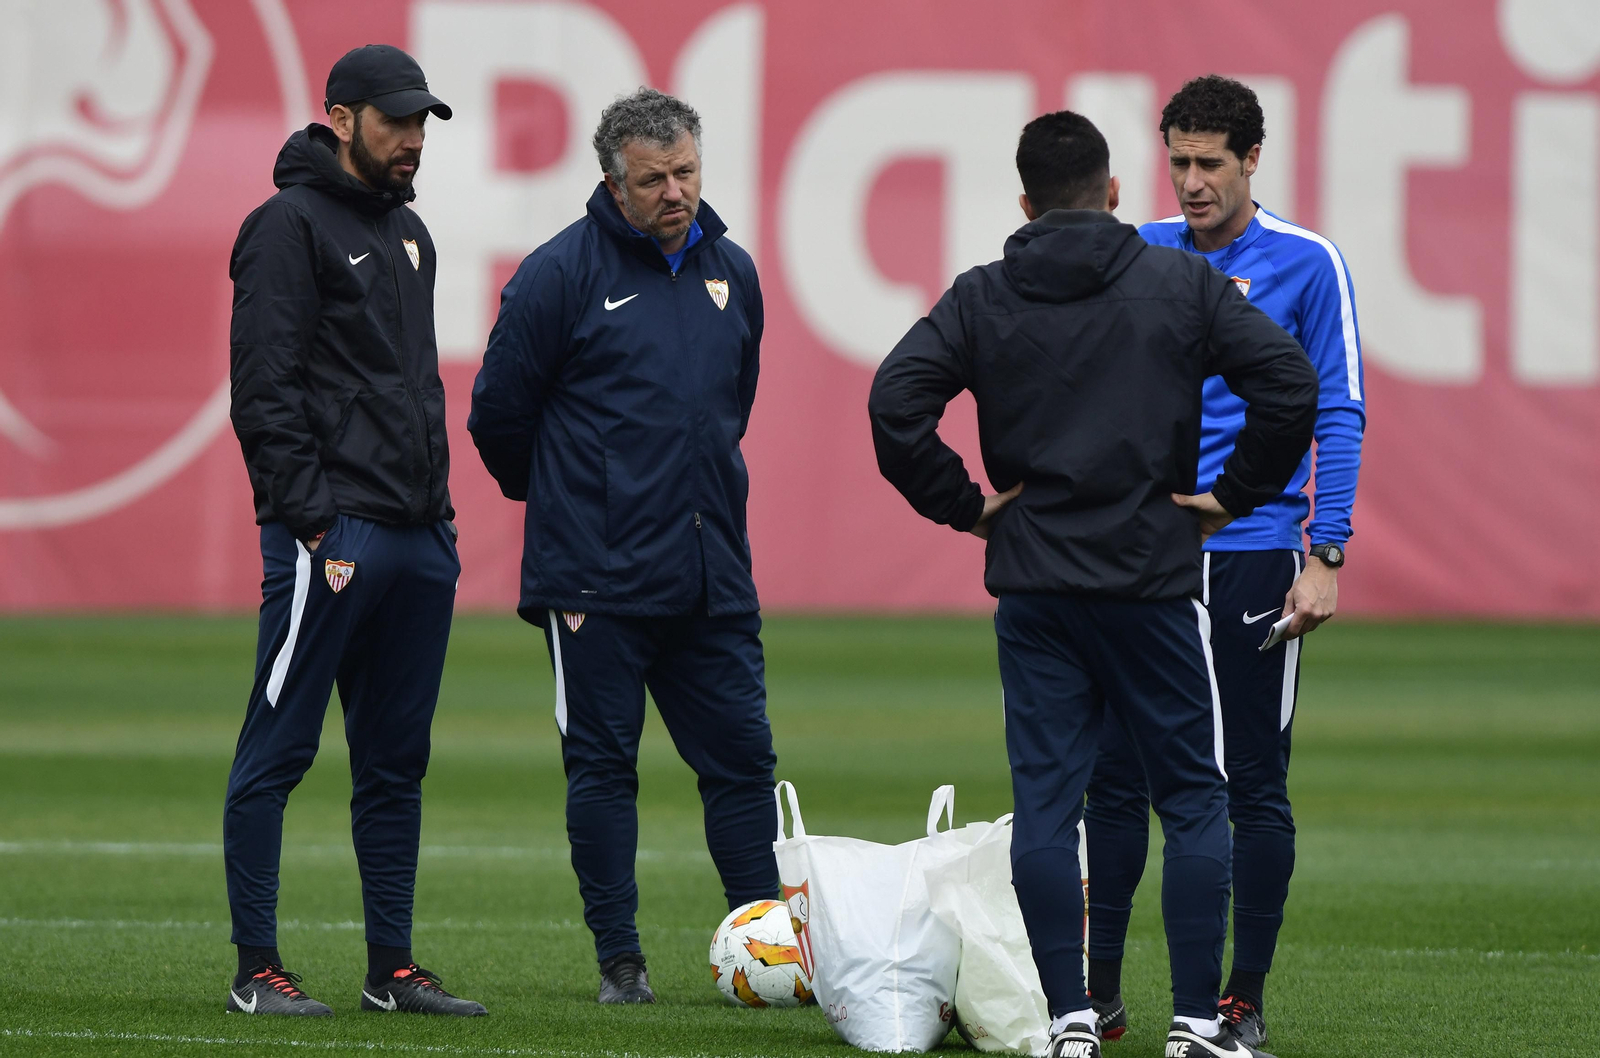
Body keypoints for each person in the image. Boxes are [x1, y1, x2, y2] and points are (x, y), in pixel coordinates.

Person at [869, 110, 1318, 1058]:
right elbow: (1288, 382)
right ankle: (1197, 1024)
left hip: (1034, 584)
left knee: (1048, 808)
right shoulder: (1179, 279)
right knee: (1196, 798)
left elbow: (894, 402)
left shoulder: (983, 294)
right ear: (1115, 194)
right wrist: (1231, 498)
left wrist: (969, 505)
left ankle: (1070, 1019)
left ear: (1026, 204)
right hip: (1152, 579)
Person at [467, 88, 775, 1005]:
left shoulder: (735, 273)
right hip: (593, 578)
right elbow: (497, 417)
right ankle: (621, 962)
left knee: (744, 761)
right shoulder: (558, 273)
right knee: (603, 767)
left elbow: (728, 405)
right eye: (653, 180)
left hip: (711, 569)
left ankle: (765, 947)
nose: (674, 192)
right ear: (613, 181)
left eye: (685, 173)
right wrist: (567, 500)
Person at [1083, 75, 1366, 1049]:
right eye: (1178, 163)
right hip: (1143, 558)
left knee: (1250, 780)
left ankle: (1238, 1003)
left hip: (1250, 554)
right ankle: (1098, 995)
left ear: (1253, 160)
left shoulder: (1306, 263)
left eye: (1210, 163)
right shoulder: (1139, 252)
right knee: (1113, 778)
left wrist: (1323, 553)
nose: (1192, 182)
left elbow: (1336, 407)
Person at [224, 44, 484, 1017]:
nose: (413, 139)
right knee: (276, 752)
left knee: (394, 763)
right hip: (331, 538)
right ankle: (257, 966)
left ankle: (392, 968)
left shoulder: (410, 234)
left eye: (422, 122)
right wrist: (311, 521)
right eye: (395, 121)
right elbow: (265, 391)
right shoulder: (285, 226)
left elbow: (408, 389)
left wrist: (437, 521)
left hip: (418, 538)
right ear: (339, 118)